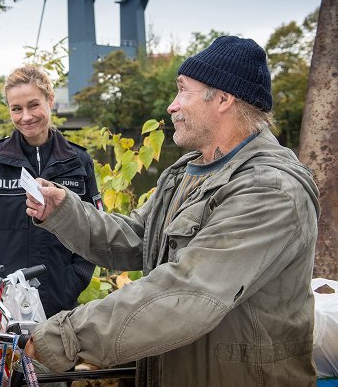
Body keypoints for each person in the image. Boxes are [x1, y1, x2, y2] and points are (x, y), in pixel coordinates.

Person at [23, 36, 320, 386]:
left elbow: (190, 292)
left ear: (224, 98)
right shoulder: (187, 172)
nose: (172, 106)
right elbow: (137, 238)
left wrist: (65, 336)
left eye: (183, 91)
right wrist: (64, 212)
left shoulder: (270, 189)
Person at [0, 65, 100, 321]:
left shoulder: (79, 162)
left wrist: (72, 282)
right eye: (16, 109)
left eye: (34, 105)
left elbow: (95, 229)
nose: (26, 116)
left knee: (52, 363)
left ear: (50, 100)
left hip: (58, 308)